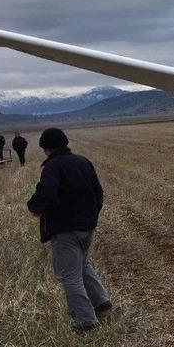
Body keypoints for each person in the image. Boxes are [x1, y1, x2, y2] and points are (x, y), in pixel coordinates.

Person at [27, 128, 111, 332]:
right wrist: (91, 216)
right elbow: (98, 192)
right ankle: (101, 302)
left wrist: (34, 207)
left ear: (46, 148)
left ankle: (86, 321)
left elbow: (46, 194)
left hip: (66, 229)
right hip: (87, 227)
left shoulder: (53, 166)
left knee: (69, 275)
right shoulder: (83, 161)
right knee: (82, 264)